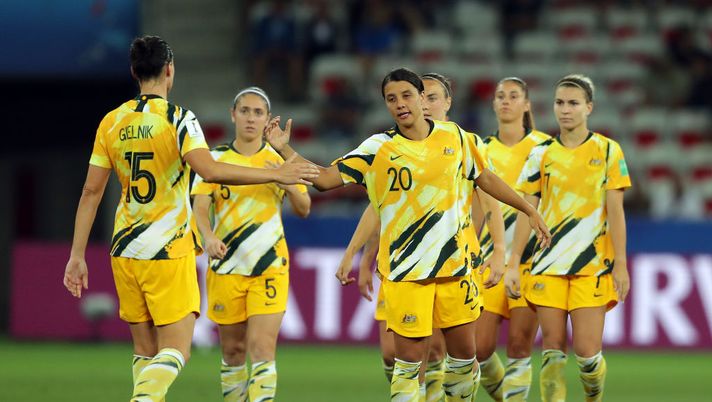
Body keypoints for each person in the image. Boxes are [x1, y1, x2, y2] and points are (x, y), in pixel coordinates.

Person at [264, 67, 551, 402]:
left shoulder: (456, 138)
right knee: (406, 367)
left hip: (455, 270)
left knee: (462, 365)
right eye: (391, 98)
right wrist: (286, 151)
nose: (399, 103)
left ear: (420, 98)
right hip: (406, 274)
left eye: (406, 95)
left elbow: (485, 179)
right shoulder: (378, 148)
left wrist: (529, 210)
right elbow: (327, 179)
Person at [62, 36, 318, 402]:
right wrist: (275, 173)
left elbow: (91, 192)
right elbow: (209, 171)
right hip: (168, 249)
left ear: (134, 71)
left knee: (144, 352)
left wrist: (77, 254)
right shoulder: (179, 119)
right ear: (170, 70)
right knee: (176, 351)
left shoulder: (111, 122)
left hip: (124, 250)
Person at [337, 72, 507, 402]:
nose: (423, 103)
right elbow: (380, 208)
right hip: (403, 263)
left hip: (455, 262)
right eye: (421, 96)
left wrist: (499, 249)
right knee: (393, 354)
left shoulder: (460, 141)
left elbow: (491, 200)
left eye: (431, 97)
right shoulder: (392, 148)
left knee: (453, 352)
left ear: (447, 102)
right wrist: (360, 255)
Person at [505, 74, 631, 402]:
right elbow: (525, 211)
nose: (565, 110)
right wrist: (515, 263)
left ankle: (592, 395)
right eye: (560, 103)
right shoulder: (541, 153)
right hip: (547, 265)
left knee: (588, 356)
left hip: (592, 267)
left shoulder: (607, 151)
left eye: (573, 103)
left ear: (589, 107)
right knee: (553, 350)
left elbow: (616, 212)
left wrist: (621, 264)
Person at [191, 86, 311, 402]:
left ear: (267, 120)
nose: (250, 118)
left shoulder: (277, 160)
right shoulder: (214, 160)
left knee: (261, 348)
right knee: (232, 351)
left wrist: (289, 179)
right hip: (227, 267)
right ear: (233, 115)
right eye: (244, 110)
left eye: (258, 112)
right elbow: (200, 209)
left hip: (269, 267)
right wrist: (209, 236)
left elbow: (304, 208)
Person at [475, 77, 551, 402]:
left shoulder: (546, 148)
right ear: (493, 104)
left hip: (533, 262)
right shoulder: (479, 149)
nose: (505, 101)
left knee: (520, 345)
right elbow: (473, 205)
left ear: (527, 104)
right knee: (479, 349)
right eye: (500, 96)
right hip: (490, 259)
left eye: (513, 96)